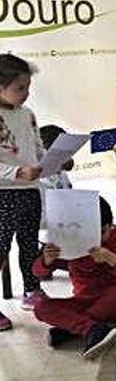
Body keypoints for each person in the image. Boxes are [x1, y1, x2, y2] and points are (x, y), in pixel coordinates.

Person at [32, 197, 116, 358]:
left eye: (102, 232)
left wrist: (110, 258)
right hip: (83, 300)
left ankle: (71, 328)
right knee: (41, 308)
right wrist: (46, 260)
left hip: (112, 294)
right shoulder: (65, 241)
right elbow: (38, 273)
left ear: (110, 226)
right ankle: (91, 328)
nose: (98, 239)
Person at [0, 54, 45, 319]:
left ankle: (32, 289)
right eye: (20, 88)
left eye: (28, 87)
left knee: (30, 243)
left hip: (30, 190)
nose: (26, 93)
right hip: (4, 193)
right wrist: (18, 171)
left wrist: (53, 159)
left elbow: (37, 148)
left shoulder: (28, 114)